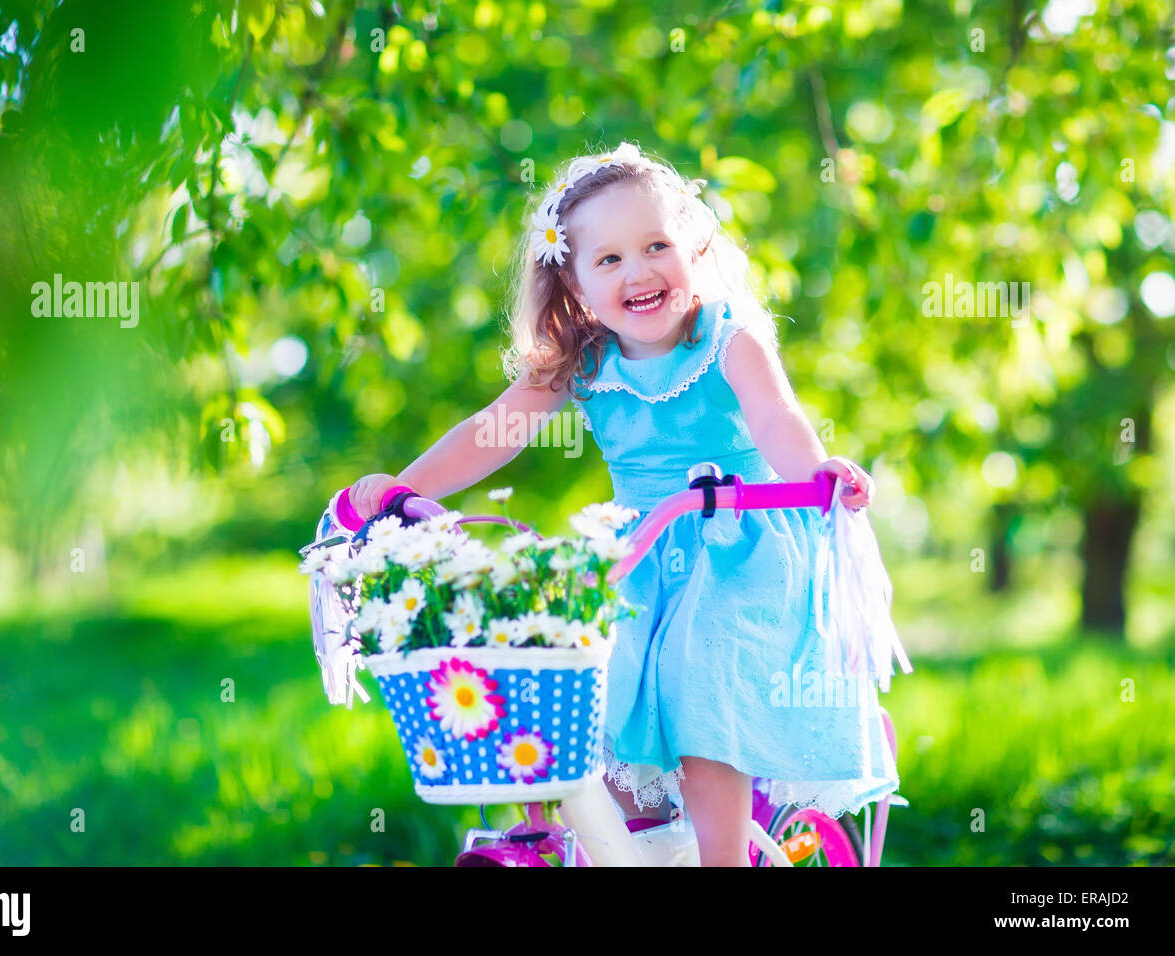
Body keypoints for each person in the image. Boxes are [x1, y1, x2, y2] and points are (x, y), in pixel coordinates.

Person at [349, 141, 900, 865]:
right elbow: (495, 433)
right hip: (641, 558)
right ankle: (600, 841)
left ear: (694, 251)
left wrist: (817, 468)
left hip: (741, 551)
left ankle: (723, 859)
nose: (639, 272)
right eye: (608, 260)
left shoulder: (729, 340)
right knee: (574, 684)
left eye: (656, 246)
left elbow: (775, 420)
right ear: (573, 284)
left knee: (704, 680)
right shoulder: (585, 360)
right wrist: (404, 488)